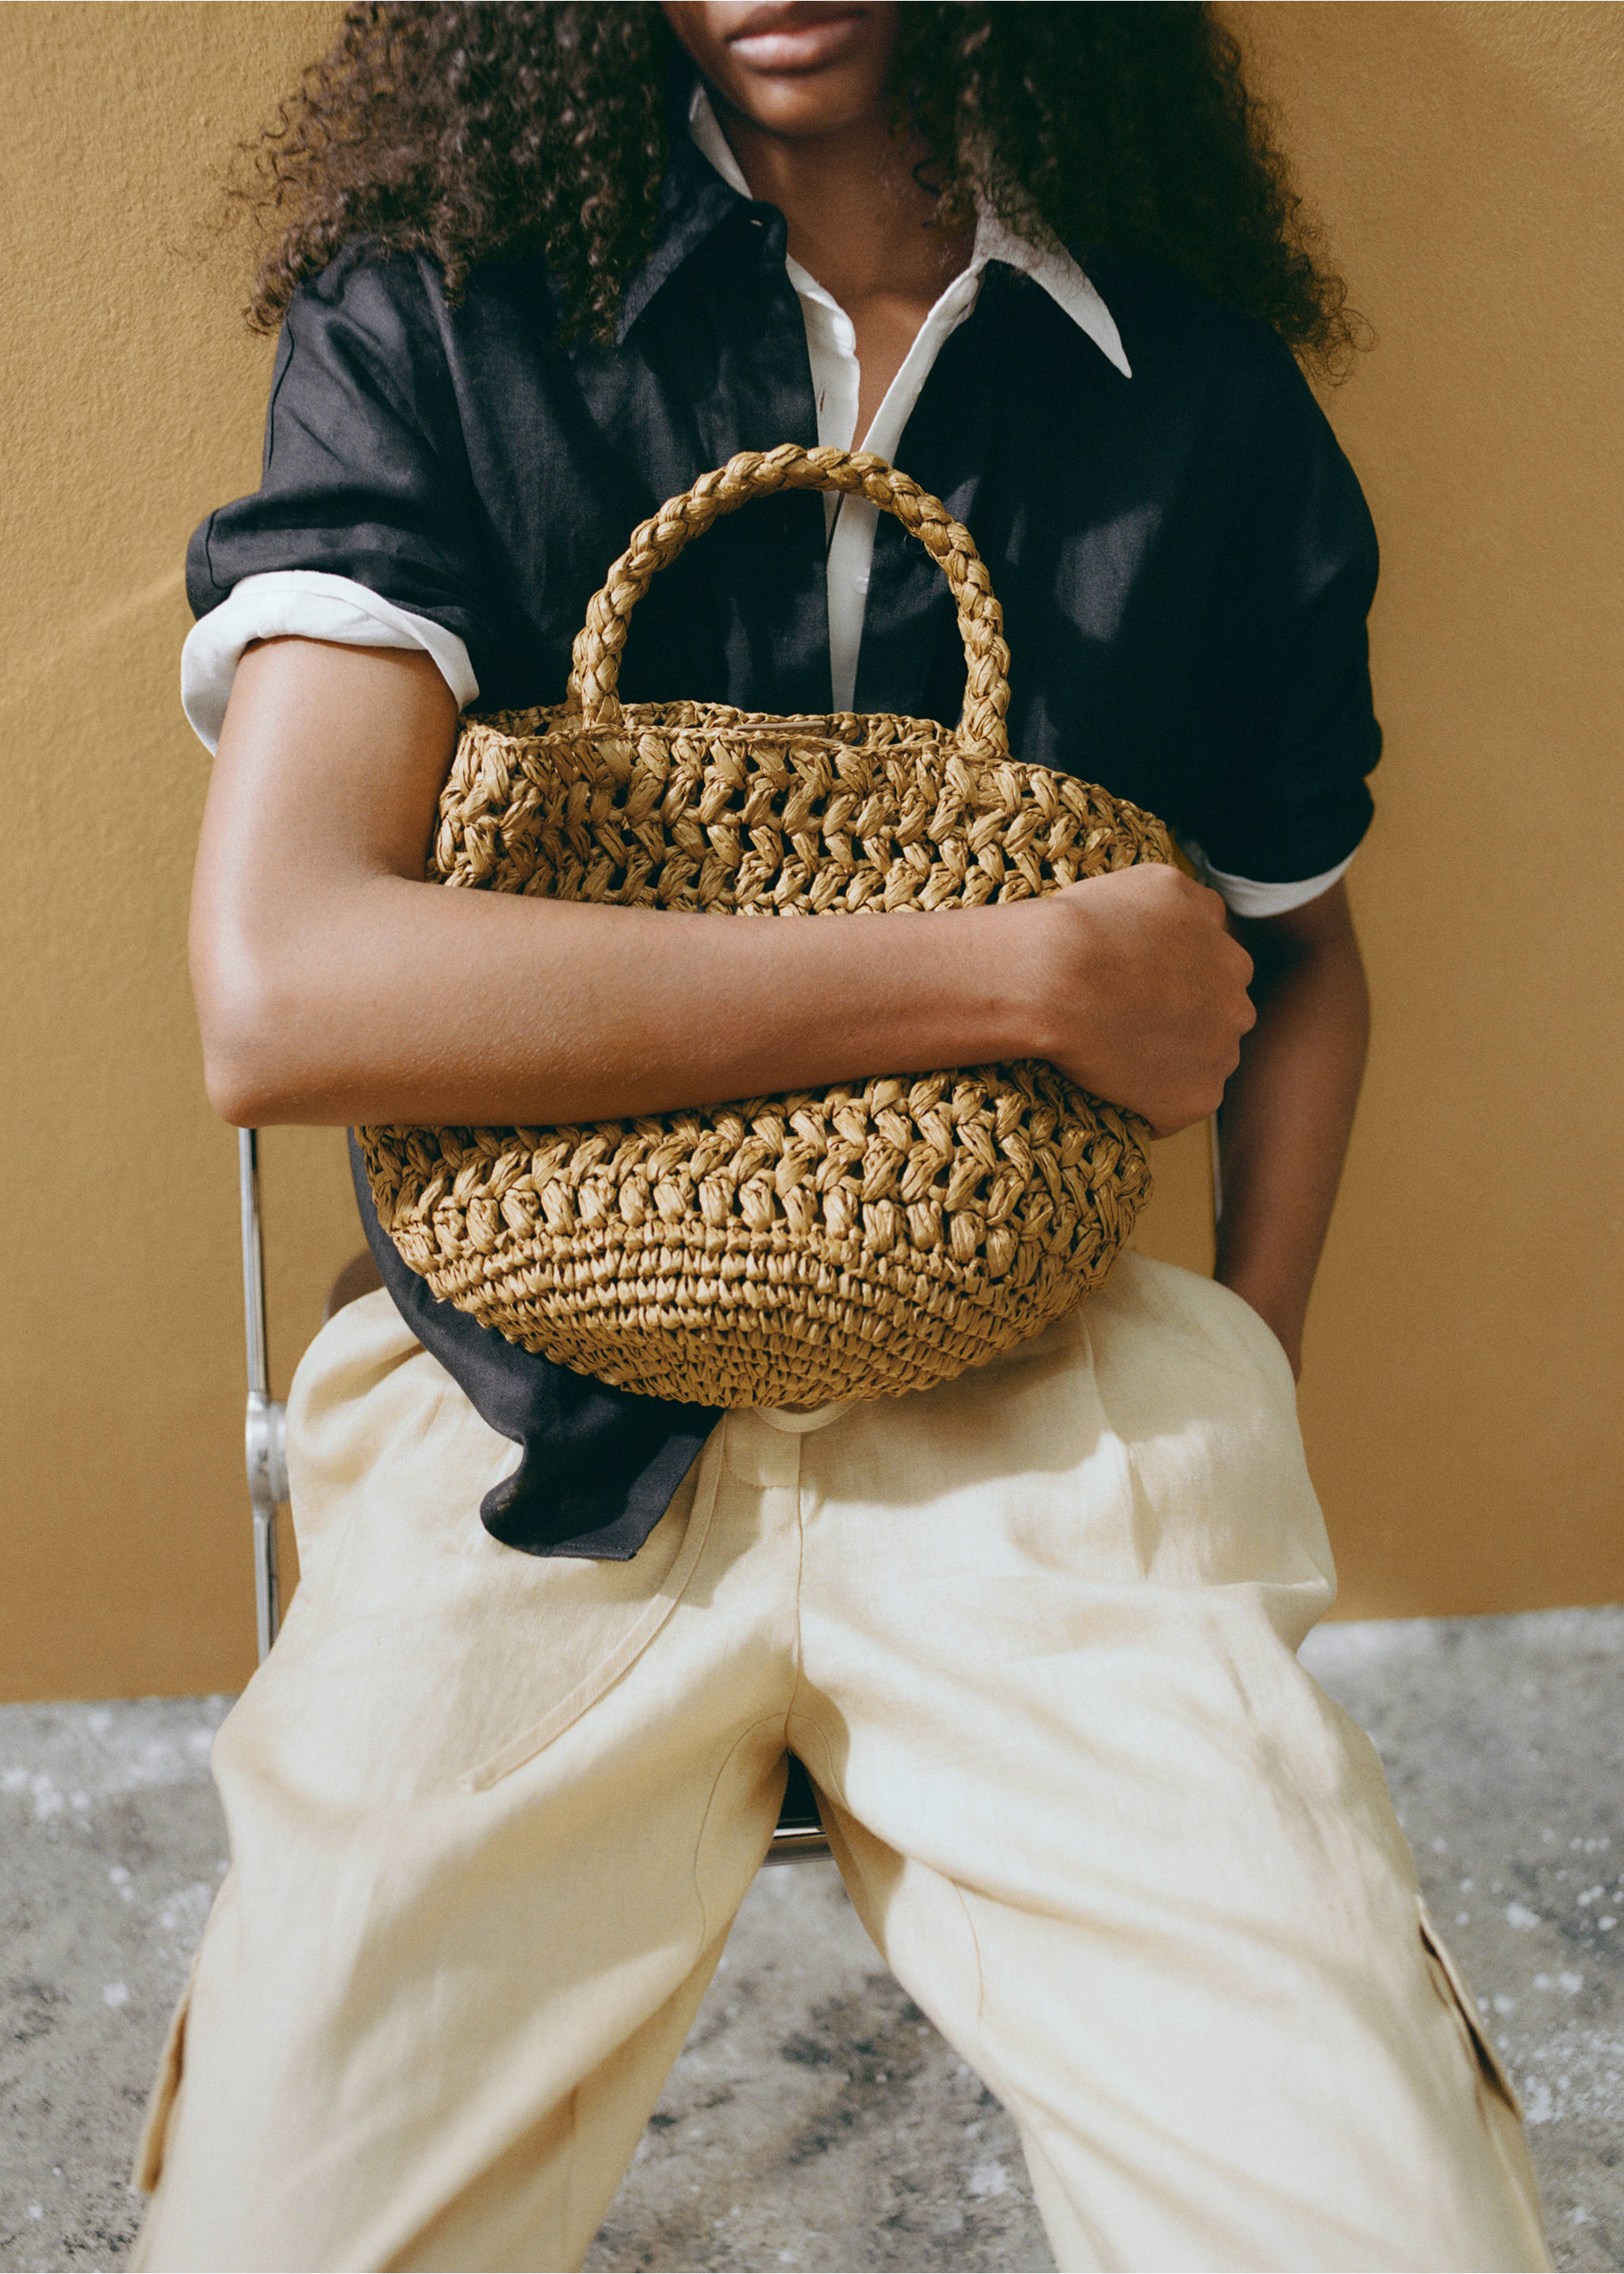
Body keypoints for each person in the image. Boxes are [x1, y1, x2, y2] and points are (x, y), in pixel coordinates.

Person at [133, 5, 1550, 2267]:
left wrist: (1240, 1374)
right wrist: (1016, 981)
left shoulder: (1192, 397)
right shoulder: (447, 315)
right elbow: (288, 982)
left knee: (1375, 2213)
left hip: (1034, 1392)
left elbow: (1297, 956)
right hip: (534, 1411)